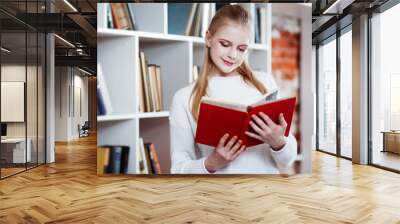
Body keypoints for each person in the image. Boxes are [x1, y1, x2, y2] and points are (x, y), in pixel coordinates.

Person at [169, 5, 297, 174]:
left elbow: (289, 159)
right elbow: (178, 168)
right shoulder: (184, 98)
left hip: (265, 194)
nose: (233, 55)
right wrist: (211, 163)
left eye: (241, 48)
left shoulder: (264, 82)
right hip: (218, 197)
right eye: (225, 44)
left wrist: (278, 142)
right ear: (208, 38)